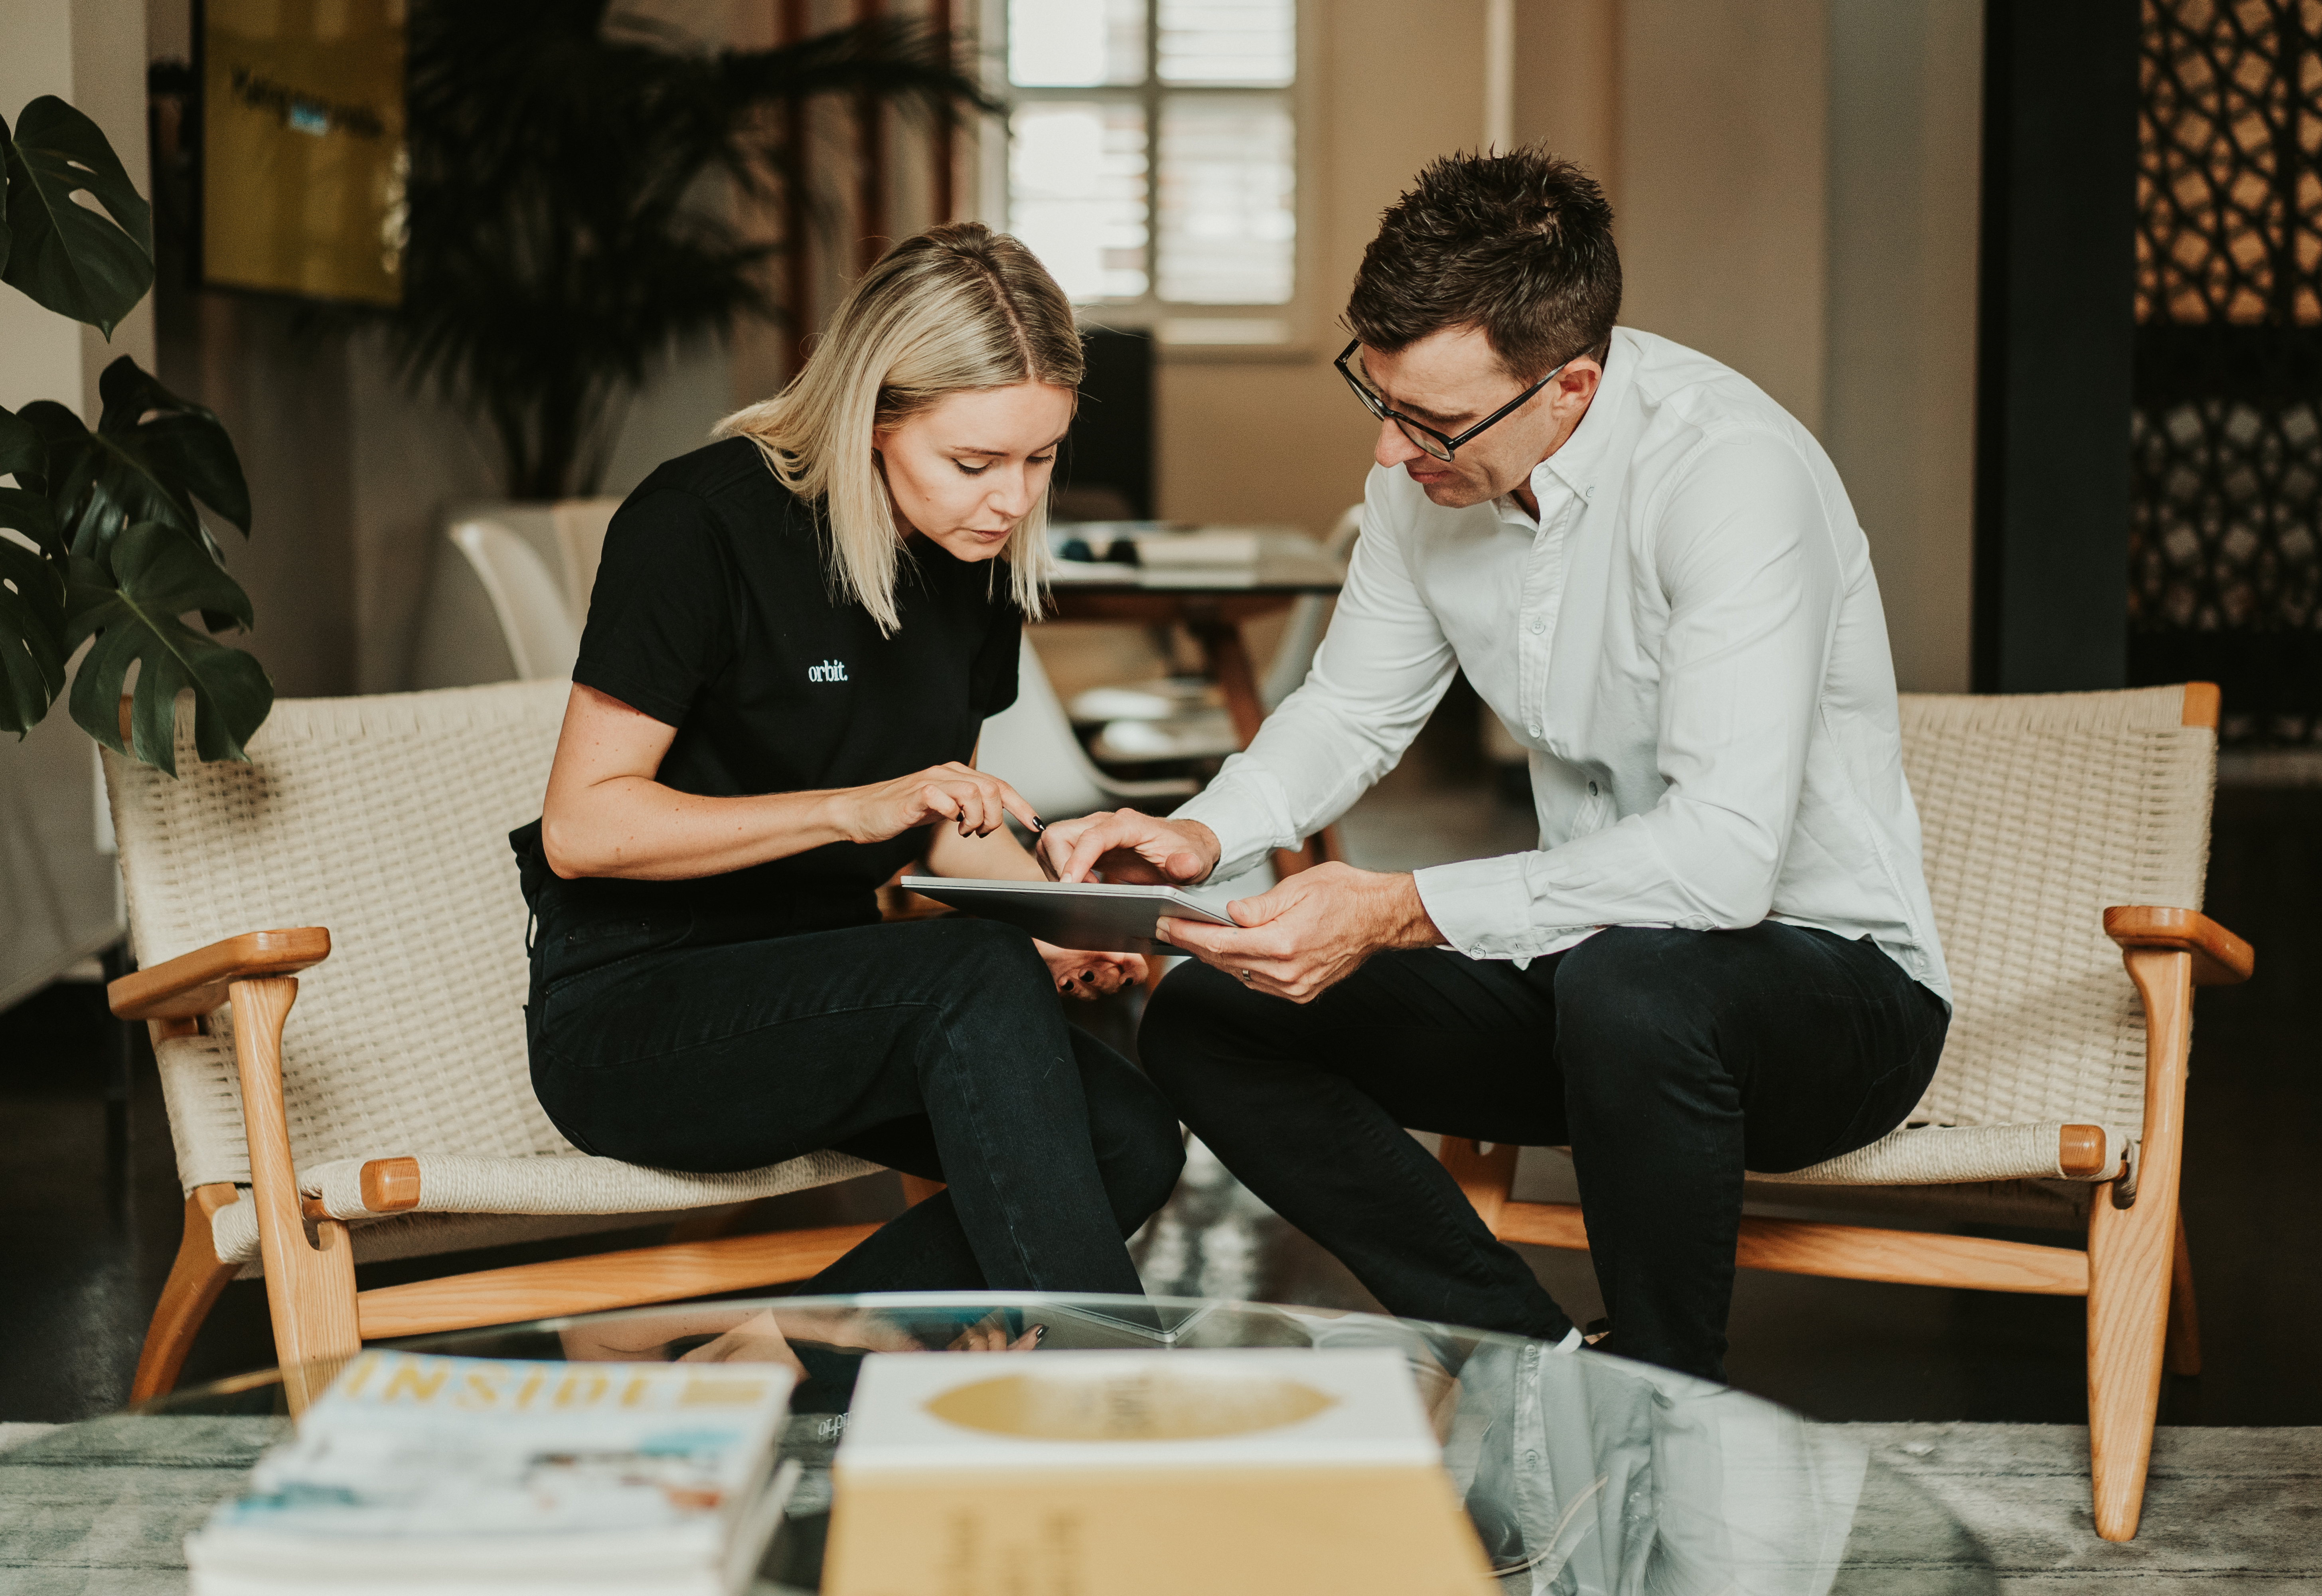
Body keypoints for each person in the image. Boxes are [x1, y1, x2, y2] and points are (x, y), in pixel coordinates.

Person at [1038, 151, 1952, 1382]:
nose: (1388, 455)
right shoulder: (1431, 473)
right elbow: (1352, 712)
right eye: (1378, 397)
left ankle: (1666, 1415)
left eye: (1430, 422)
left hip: (1834, 1002)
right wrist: (1203, 833)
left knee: (1638, 986)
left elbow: (1724, 867)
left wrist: (1403, 909)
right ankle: (1537, 1366)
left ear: (1569, 386)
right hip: (1589, 983)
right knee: (1214, 1017)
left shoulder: (1730, 476)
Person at [513, 223, 1184, 1299]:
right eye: (973, 463)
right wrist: (847, 810)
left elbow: (939, 824)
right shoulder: (698, 525)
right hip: (641, 1013)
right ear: (875, 416)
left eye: (1040, 458)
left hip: (845, 994)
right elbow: (583, 832)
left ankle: (786, 1349)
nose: (1011, 501)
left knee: (1134, 1140)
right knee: (970, 974)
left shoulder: (974, 559)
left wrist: (1064, 917)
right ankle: (1099, 1414)